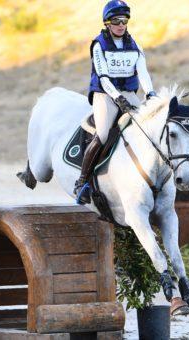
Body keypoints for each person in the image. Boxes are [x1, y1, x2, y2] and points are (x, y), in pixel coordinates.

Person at [74, 0, 157, 204]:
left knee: (147, 127)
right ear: (107, 23)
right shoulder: (98, 44)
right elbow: (103, 77)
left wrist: (151, 94)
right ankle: (82, 182)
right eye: (116, 21)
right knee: (102, 134)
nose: (121, 25)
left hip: (128, 92)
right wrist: (117, 99)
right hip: (105, 94)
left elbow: (143, 73)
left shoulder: (134, 44)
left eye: (124, 20)